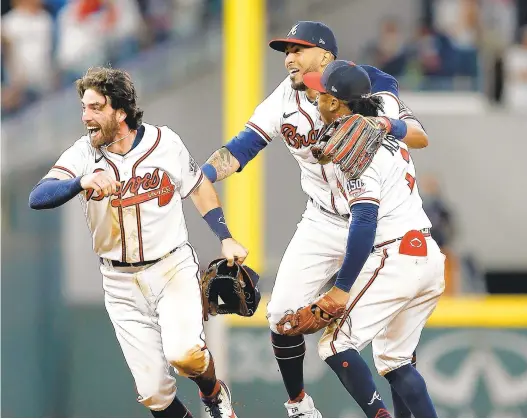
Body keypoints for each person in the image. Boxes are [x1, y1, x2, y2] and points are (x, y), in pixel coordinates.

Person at [201, 21, 428, 417]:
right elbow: (240, 149)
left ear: (325, 56)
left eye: (298, 49)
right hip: (323, 219)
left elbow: (419, 134)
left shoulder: (369, 84)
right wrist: (199, 177)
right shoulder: (282, 100)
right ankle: (299, 406)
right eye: (285, 51)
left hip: (384, 222)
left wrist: (381, 123)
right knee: (280, 314)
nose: (289, 57)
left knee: (390, 354)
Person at [28, 66, 247, 418]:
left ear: (121, 111)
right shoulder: (83, 154)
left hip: (171, 267)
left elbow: (198, 187)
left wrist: (226, 237)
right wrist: (81, 182)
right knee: (154, 394)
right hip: (118, 283)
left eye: (96, 107)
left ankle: (213, 393)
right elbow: (38, 197)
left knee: (185, 354)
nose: (86, 117)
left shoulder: (165, 142)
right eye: (84, 108)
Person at [297, 60, 444, 418]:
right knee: (395, 362)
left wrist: (341, 288)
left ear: (334, 103)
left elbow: (364, 220)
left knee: (334, 345)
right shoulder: (383, 107)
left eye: (322, 93)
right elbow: (392, 89)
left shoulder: (355, 152)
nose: (315, 97)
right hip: (427, 256)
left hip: (394, 257)